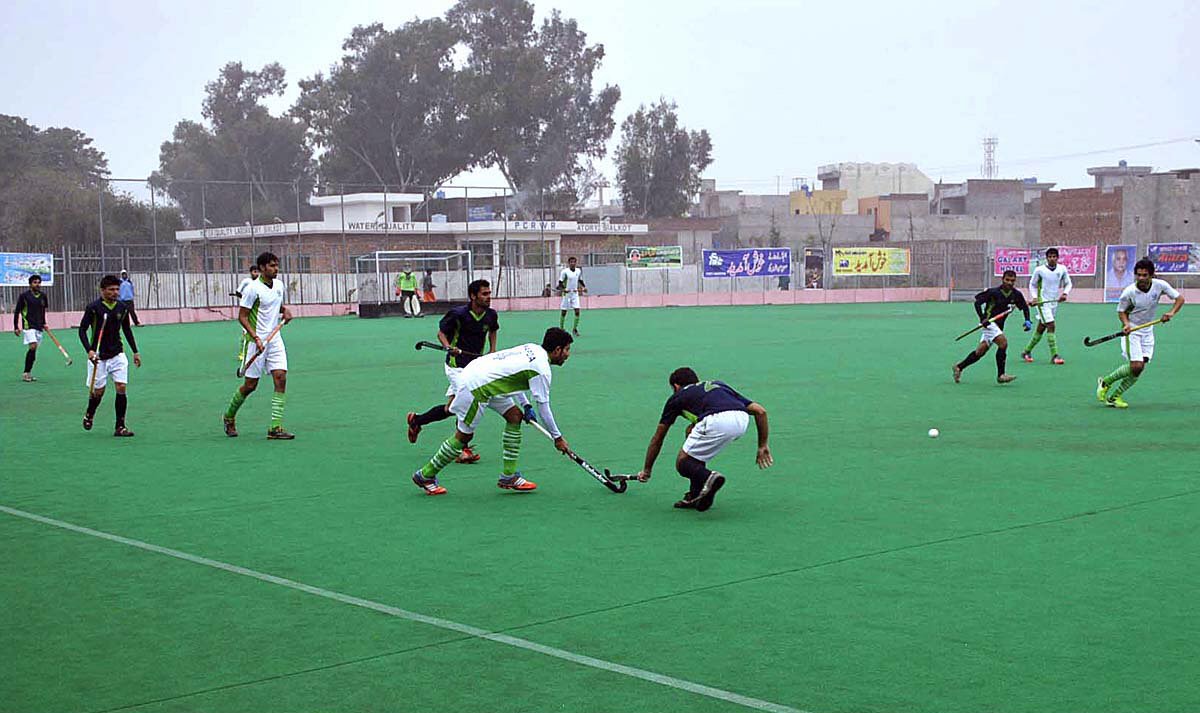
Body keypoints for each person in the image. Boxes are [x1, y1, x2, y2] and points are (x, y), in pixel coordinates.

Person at [411, 328, 574, 496]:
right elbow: (544, 408)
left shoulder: (532, 348)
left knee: (514, 416)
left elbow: (511, 375)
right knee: (464, 436)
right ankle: (426, 475)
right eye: (567, 349)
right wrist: (557, 438)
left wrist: (525, 405)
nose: (568, 354)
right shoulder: (542, 369)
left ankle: (508, 477)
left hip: (482, 375)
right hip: (477, 387)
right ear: (557, 350)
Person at [406, 279, 529, 465]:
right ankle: (462, 449)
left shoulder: (491, 315)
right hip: (457, 367)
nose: (489, 297)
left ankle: (417, 420)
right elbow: (441, 333)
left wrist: (492, 351)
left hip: (478, 367)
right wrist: (448, 347)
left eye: (489, 293)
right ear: (473, 296)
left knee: (451, 407)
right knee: (467, 403)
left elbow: (493, 331)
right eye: (484, 294)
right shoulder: (458, 314)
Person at [635, 368, 772, 512]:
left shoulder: (676, 398)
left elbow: (658, 438)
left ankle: (709, 477)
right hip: (741, 420)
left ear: (676, 386)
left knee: (683, 462)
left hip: (716, 421)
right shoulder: (718, 385)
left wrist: (647, 469)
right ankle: (695, 495)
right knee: (691, 432)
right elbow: (760, 411)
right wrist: (762, 445)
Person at [223, 252, 295, 439]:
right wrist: (255, 337)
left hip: (275, 339)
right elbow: (242, 316)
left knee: (281, 378)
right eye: (271, 265)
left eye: (277, 265)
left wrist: (285, 311)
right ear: (262, 268)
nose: (275, 269)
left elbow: (275, 305)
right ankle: (229, 416)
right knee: (250, 385)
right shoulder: (252, 289)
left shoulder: (279, 285)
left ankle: (275, 428)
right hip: (256, 341)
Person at [1096, 258, 1185, 409]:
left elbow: (1180, 299)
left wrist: (1170, 313)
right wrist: (1126, 324)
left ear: (1152, 275)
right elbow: (1121, 311)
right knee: (1136, 366)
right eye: (1138, 275)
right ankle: (1105, 382)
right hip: (1133, 330)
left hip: (1148, 331)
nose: (1141, 278)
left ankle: (1114, 397)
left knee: (1140, 367)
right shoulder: (1129, 292)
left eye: (1145, 275)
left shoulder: (1160, 285)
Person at [78, 275, 141, 436]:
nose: (115, 292)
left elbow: (126, 329)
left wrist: (135, 351)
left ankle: (120, 426)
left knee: (121, 387)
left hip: (117, 354)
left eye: (117, 289)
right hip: (98, 356)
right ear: (102, 290)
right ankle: (90, 413)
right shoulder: (93, 307)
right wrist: (89, 350)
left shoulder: (122, 307)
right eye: (111, 289)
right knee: (98, 392)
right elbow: (82, 330)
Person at [952, 270, 1031, 385]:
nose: (1009, 283)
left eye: (1012, 281)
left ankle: (959, 367)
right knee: (1003, 343)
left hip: (998, 326)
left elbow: (1024, 307)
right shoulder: (993, 292)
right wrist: (982, 318)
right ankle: (1001, 375)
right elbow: (977, 302)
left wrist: (1027, 320)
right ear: (1002, 279)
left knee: (980, 351)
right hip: (989, 323)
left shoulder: (1016, 294)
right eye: (1007, 280)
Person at [1021, 247, 1073, 365]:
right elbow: (1032, 284)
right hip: (1042, 302)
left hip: (1053, 303)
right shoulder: (1040, 270)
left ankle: (1026, 351)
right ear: (1046, 258)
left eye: (1054, 256)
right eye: (1050, 257)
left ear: (1057, 258)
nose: (1052, 259)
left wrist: (1065, 293)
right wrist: (1034, 297)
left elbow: (1068, 283)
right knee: (1051, 325)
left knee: (1041, 328)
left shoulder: (1062, 269)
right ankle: (1055, 355)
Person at [13, 274, 49, 382]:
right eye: (35, 282)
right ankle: (25, 373)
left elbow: (42, 311)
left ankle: (28, 372)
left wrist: (44, 323)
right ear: (30, 284)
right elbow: (17, 311)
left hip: (39, 326)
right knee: (33, 347)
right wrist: (16, 326)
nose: (37, 284)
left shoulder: (43, 296)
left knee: (33, 350)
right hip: (28, 326)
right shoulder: (24, 296)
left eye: (39, 282)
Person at [557, 256, 586, 336]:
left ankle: (574, 329)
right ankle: (562, 329)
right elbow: (560, 284)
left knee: (577, 311)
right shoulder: (565, 272)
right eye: (571, 262)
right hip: (567, 294)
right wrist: (563, 289)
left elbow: (580, 280)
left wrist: (584, 287)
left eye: (574, 262)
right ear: (568, 263)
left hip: (575, 294)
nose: (573, 263)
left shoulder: (578, 271)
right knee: (564, 312)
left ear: (576, 263)